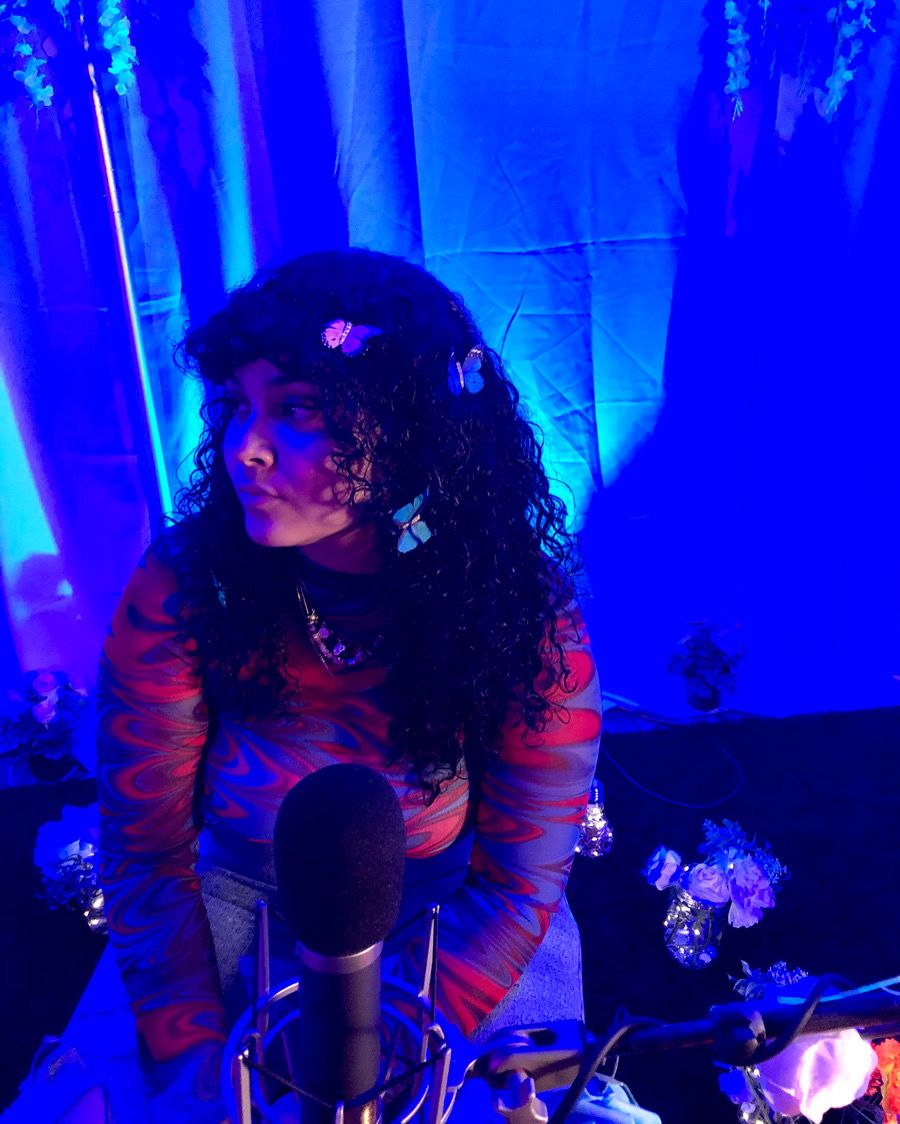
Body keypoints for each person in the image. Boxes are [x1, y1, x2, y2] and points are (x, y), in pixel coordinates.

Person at [11, 248, 602, 1122]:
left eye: (295, 410)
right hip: (228, 910)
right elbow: (146, 852)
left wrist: (389, 1053)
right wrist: (194, 1063)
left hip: (452, 922)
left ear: (408, 425)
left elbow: (519, 881)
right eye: (237, 407)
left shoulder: (519, 606)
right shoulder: (183, 585)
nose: (243, 448)